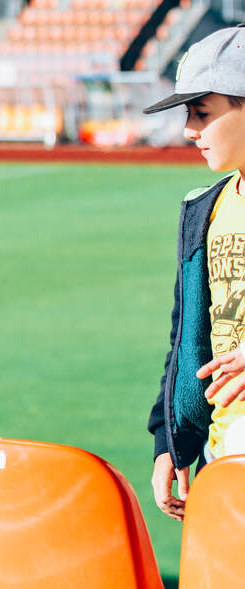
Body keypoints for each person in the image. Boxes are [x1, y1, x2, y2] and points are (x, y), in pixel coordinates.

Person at [145, 26, 245, 521]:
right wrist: (170, 439)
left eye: (202, 113)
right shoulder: (203, 210)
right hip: (218, 461)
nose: (188, 129)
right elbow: (185, 339)